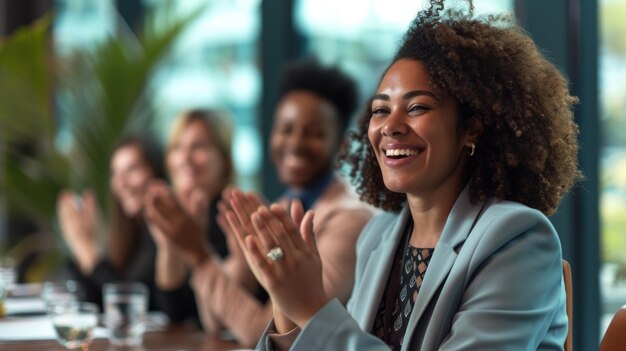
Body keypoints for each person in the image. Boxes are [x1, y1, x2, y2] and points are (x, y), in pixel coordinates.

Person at [225, 1, 582, 350]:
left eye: (417, 107)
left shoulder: (516, 239)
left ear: (471, 128)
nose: (391, 127)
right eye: (381, 110)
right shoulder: (377, 237)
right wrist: (286, 303)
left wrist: (311, 307)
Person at [145, 60, 374, 346]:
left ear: (341, 144)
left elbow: (263, 333)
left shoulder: (349, 221)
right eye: (285, 129)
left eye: (314, 133)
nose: (295, 143)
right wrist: (241, 256)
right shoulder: (279, 205)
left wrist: (198, 255)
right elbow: (214, 322)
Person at [146, 109, 234, 324]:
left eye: (198, 146)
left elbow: (204, 313)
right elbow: (171, 309)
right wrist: (169, 246)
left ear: (222, 158)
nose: (185, 158)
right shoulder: (168, 215)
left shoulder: (232, 218)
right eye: (177, 147)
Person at [57, 136, 165, 309]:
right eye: (115, 173)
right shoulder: (130, 234)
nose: (121, 182)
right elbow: (95, 302)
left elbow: (129, 300)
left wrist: (85, 248)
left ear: (156, 171)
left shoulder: (163, 233)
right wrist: (81, 254)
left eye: (132, 169)